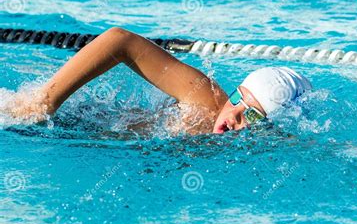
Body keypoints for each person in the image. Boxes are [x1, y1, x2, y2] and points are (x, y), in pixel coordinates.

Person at [6, 27, 312, 135]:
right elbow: (119, 40)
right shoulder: (204, 100)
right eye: (236, 100)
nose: (234, 117)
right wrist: (44, 102)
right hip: (68, 124)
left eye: (253, 116)